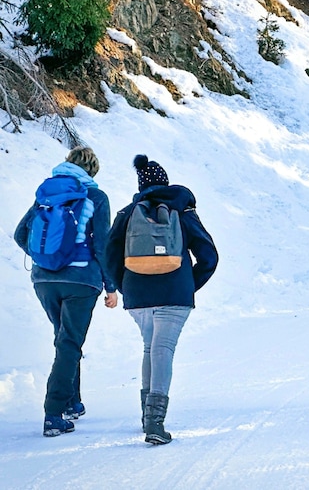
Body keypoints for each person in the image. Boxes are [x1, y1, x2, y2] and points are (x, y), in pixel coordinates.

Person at [106, 155, 218, 444]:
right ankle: (155, 423)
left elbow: (108, 256)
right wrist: (188, 285)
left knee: (150, 348)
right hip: (174, 295)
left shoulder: (128, 213)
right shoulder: (183, 211)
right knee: (162, 350)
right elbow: (209, 256)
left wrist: (125, 285)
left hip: (138, 295)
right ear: (165, 182)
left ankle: (147, 415)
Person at [14, 146, 118, 437]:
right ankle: (53, 413)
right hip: (81, 281)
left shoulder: (47, 193)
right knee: (69, 343)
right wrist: (111, 286)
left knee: (64, 340)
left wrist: (47, 261)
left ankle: (73, 402)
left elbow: (20, 233)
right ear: (93, 170)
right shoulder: (96, 197)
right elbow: (102, 246)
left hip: (44, 281)